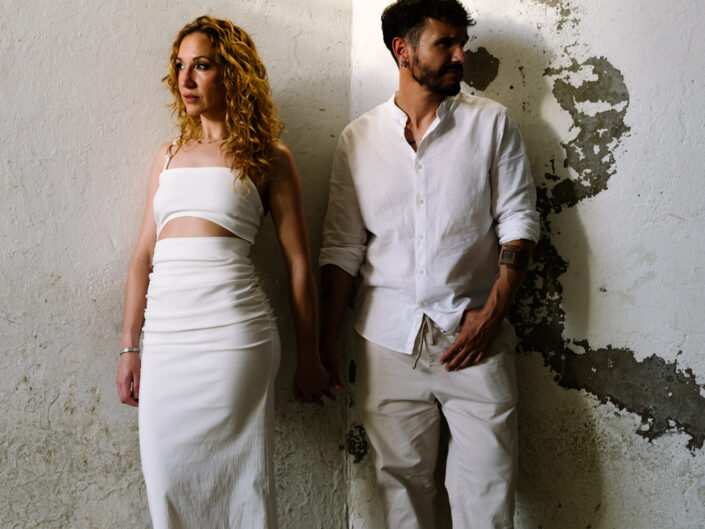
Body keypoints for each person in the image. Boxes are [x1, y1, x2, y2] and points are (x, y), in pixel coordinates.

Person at [319, 1, 540, 527]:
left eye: (462, 43)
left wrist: (492, 315)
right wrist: (326, 341)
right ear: (404, 51)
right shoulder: (358, 139)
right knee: (402, 499)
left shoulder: (491, 124)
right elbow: (342, 247)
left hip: (475, 336)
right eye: (445, 43)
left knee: (488, 497)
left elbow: (519, 221)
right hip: (388, 342)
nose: (460, 56)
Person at [115, 15, 331, 529]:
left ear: (232, 72)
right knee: (166, 484)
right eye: (180, 66)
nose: (185, 79)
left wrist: (309, 357)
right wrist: (129, 347)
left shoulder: (268, 157)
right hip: (166, 342)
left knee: (243, 487)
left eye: (202, 66)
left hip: (234, 340)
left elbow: (299, 264)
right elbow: (142, 257)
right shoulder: (167, 157)